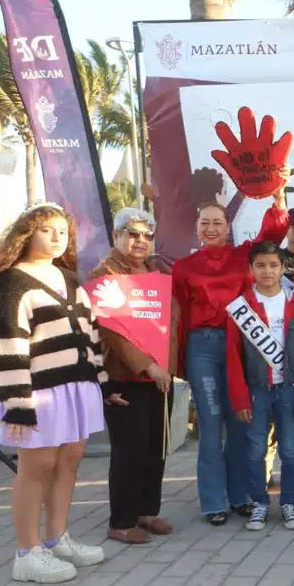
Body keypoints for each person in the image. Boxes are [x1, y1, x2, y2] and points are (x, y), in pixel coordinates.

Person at [0, 204, 107, 583]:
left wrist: (102, 383)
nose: (56, 238)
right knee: (37, 467)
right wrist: (17, 403)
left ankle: (57, 538)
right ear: (26, 234)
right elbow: (6, 345)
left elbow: (92, 335)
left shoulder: (69, 279)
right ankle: (27, 552)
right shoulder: (10, 283)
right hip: (36, 392)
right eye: (47, 230)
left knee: (69, 462)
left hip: (76, 388)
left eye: (62, 232)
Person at [172, 169, 290, 526]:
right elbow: (176, 316)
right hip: (202, 347)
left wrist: (279, 194)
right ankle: (213, 502)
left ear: (228, 226)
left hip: (242, 345)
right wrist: (173, 362)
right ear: (197, 228)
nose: (210, 229)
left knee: (241, 420)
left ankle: (240, 495)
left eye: (217, 223)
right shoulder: (183, 267)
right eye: (204, 223)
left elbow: (274, 233)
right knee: (209, 423)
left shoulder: (244, 257)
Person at [90, 208, 178, 544]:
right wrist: (148, 365)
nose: (140, 240)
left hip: (158, 376)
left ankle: (146, 511)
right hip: (124, 377)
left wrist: (167, 365)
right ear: (116, 236)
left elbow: (169, 322)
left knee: (155, 447)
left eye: (147, 234)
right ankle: (121, 520)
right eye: (132, 233)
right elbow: (113, 332)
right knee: (129, 450)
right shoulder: (105, 273)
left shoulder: (155, 271)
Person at [226, 241, 294, 531]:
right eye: (261, 265)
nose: (267, 271)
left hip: (288, 388)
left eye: (273, 265)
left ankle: (288, 502)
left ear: (283, 269)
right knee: (255, 451)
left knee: (290, 450)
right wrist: (239, 400)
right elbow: (233, 357)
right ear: (251, 269)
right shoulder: (242, 307)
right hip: (255, 390)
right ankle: (260, 503)